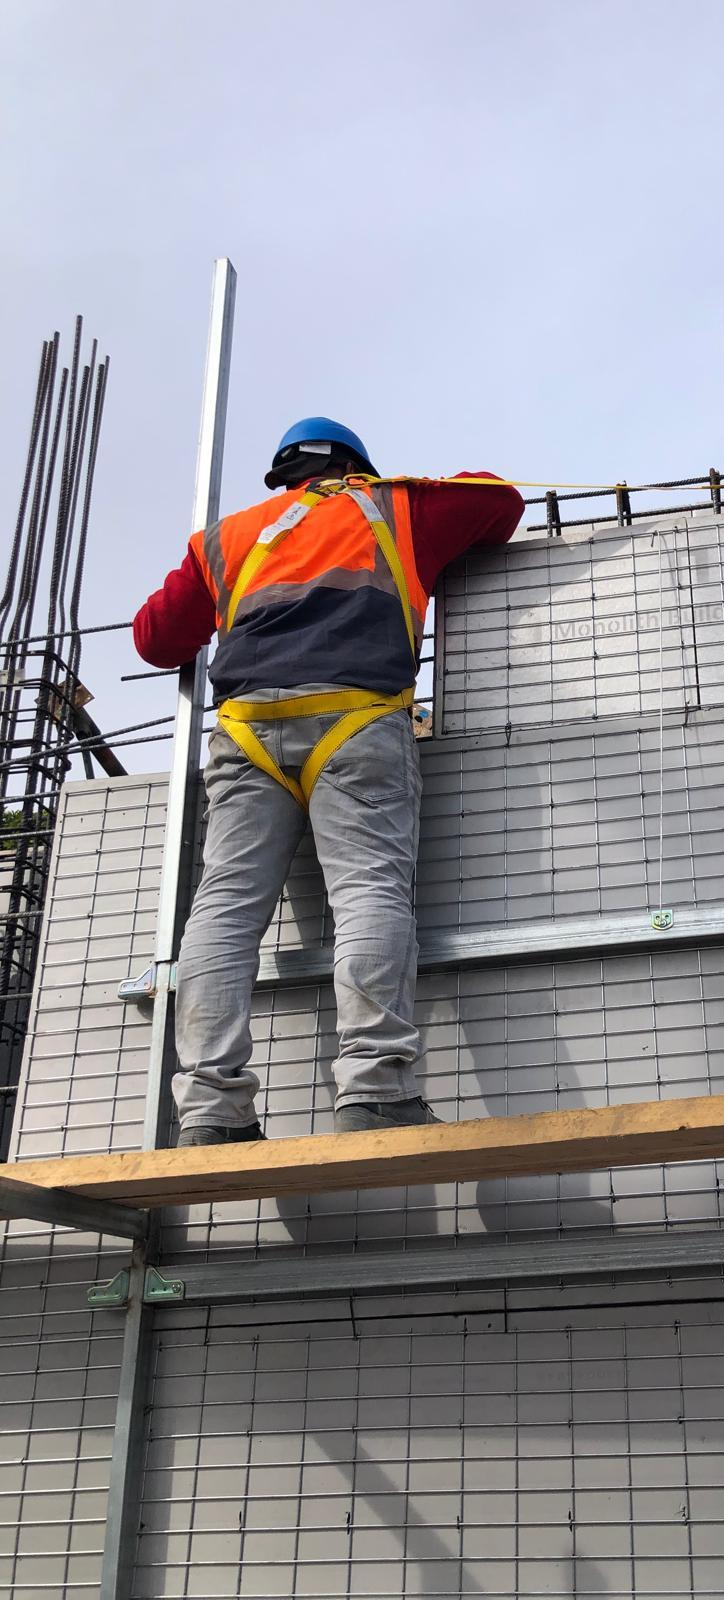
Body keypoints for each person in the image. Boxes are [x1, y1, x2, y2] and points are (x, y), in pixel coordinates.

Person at [134, 417, 523, 1147]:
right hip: (356, 720)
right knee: (369, 891)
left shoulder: (228, 537)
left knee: (223, 909)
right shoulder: (394, 508)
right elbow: (499, 501)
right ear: (355, 464)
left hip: (246, 732)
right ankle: (374, 1088)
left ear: (283, 473)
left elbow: (156, 639)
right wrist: (397, 489)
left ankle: (211, 1110)